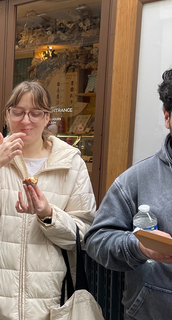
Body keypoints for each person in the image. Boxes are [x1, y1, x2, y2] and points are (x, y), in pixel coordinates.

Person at [0, 81, 96, 320]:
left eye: (35, 113)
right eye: (18, 112)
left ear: (47, 118)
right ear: (7, 115)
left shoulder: (71, 163)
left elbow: (83, 234)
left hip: (50, 304)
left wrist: (48, 214)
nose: (26, 120)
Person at [84, 69, 172, 319]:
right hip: (150, 311)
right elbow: (96, 239)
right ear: (167, 116)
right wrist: (139, 247)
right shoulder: (135, 179)